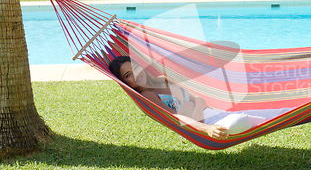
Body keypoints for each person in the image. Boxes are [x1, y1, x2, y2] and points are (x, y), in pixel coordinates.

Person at [108, 56, 291, 139]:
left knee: (279, 112)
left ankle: (296, 113)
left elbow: (199, 99)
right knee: (237, 122)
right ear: (126, 83)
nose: (136, 74)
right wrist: (206, 128)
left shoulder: (162, 78)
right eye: (128, 75)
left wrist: (196, 109)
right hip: (211, 124)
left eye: (135, 67)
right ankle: (273, 118)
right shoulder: (149, 95)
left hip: (215, 113)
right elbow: (178, 118)